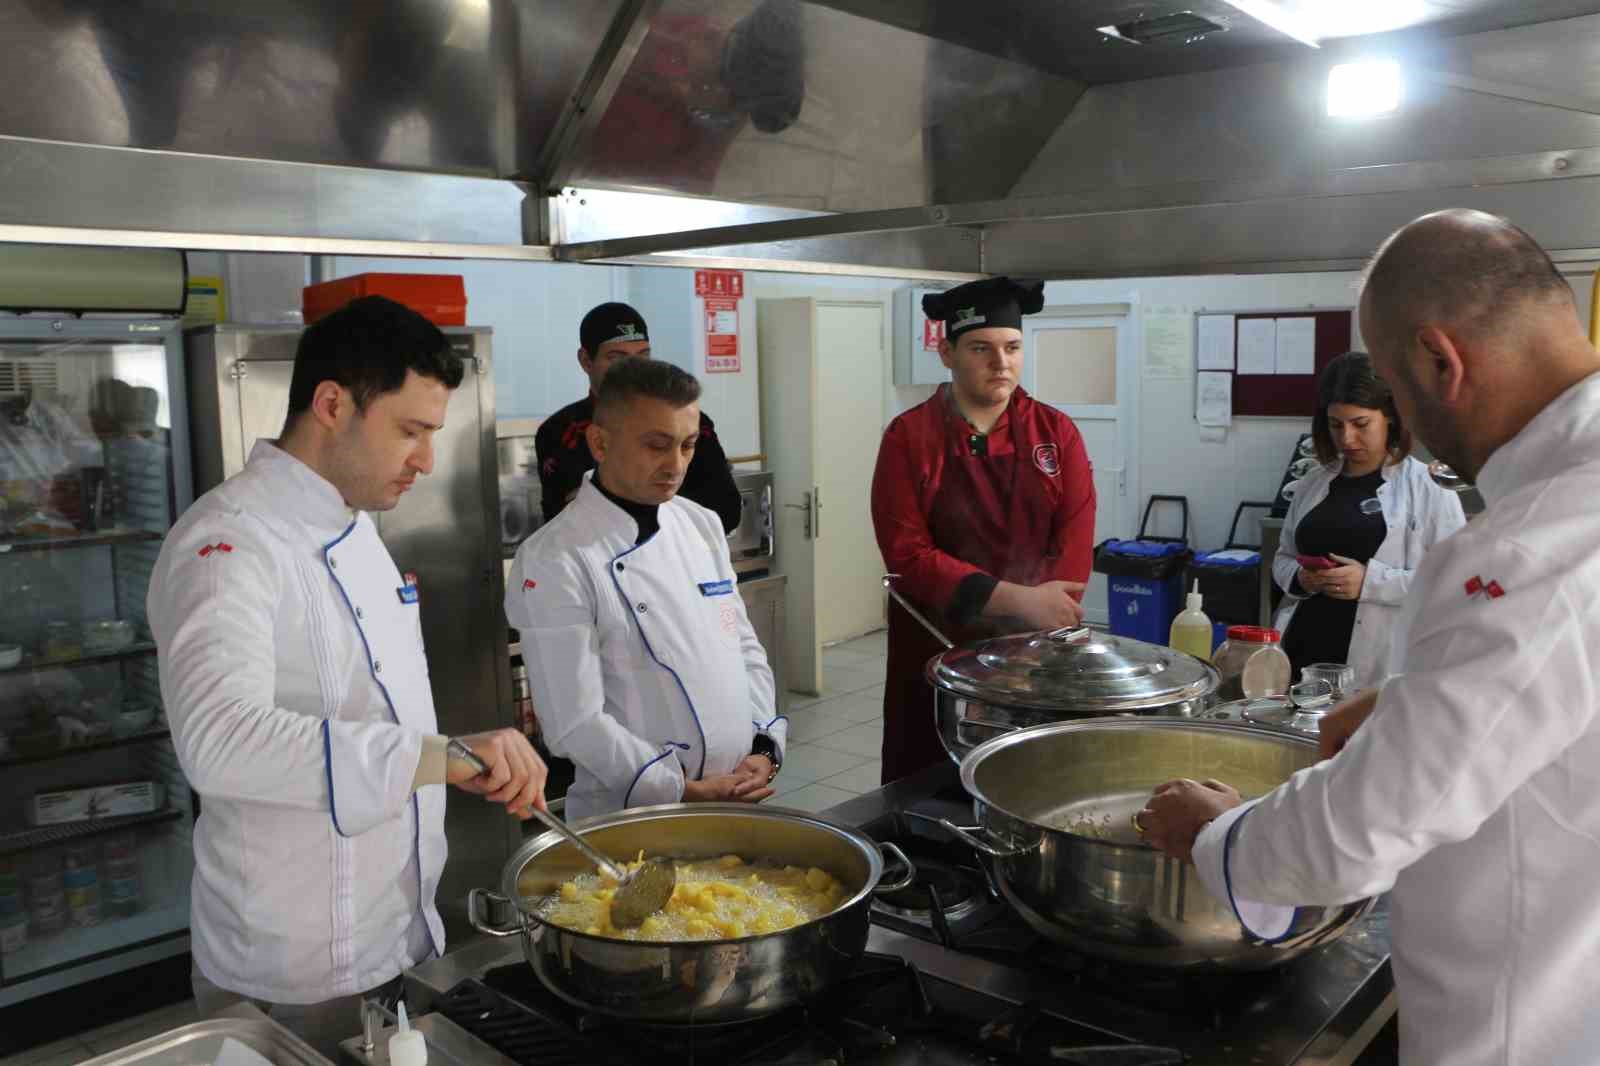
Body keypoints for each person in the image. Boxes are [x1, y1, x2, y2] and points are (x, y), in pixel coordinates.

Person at [1140, 209, 1600, 1066]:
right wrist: (1409, 699)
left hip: (1528, 1025)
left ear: (1438, 362)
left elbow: (1363, 830)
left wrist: (1218, 836)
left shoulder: (1530, 545)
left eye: (1394, 389)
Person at [148, 296, 548, 1057]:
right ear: (333, 403)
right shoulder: (227, 543)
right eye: (410, 430)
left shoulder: (357, 529)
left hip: (396, 935)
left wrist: (448, 754)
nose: (427, 458)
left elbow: (377, 715)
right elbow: (219, 742)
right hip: (295, 970)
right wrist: (442, 758)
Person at [508, 358, 786, 820]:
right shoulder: (556, 556)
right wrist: (680, 788)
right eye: (656, 445)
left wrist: (764, 746)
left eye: (688, 445)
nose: (675, 465)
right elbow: (572, 722)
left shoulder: (701, 524)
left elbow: (743, 648)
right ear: (600, 442)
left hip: (735, 798)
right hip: (631, 817)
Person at [871, 277, 1096, 784]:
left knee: (1029, 787)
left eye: (1012, 348)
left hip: (1034, 651)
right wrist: (1018, 599)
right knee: (928, 791)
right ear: (946, 352)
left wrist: (1041, 618)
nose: (1001, 363)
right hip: (932, 650)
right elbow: (908, 557)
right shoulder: (910, 436)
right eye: (981, 348)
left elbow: (1074, 544)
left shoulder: (1056, 434)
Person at [1273, 352, 1466, 688]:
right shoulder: (1312, 483)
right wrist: (1302, 578)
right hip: (1300, 652)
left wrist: (1371, 582)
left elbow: (1456, 580)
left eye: (1360, 424)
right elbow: (1282, 556)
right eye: (1336, 425)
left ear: (1390, 416)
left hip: (1380, 664)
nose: (1346, 439)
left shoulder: (1428, 487)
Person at [535, 302, 743, 532]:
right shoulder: (562, 431)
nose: (632, 368)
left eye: (643, 355)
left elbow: (726, 511)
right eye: (617, 357)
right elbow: (567, 522)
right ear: (586, 361)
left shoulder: (690, 421)